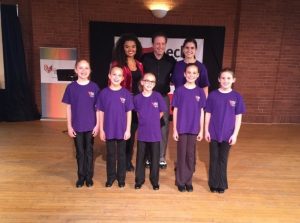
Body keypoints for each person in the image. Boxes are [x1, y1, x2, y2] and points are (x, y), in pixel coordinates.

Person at [204, 68, 245, 193]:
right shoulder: (213, 95)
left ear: (233, 80)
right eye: (223, 78)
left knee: (223, 158)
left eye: (228, 78)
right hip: (213, 132)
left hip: (228, 134)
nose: (225, 81)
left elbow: (238, 117)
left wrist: (235, 134)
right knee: (214, 158)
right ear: (218, 80)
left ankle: (222, 183)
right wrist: (206, 130)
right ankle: (213, 183)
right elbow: (208, 114)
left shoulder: (237, 97)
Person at [62, 59, 100, 188]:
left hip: (91, 125)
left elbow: (98, 108)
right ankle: (81, 176)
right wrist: (69, 126)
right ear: (76, 70)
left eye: (86, 68)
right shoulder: (71, 87)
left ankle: (88, 177)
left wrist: (98, 125)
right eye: (81, 68)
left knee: (89, 151)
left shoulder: (94, 87)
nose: (83, 71)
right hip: (76, 126)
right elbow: (68, 108)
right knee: (80, 152)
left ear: (90, 71)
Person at [141, 32, 176, 169]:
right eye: (157, 43)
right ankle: (149, 157)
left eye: (162, 44)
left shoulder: (171, 61)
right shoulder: (145, 59)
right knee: (148, 126)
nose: (160, 46)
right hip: (147, 97)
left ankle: (161, 157)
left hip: (162, 97)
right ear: (153, 45)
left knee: (163, 127)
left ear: (165, 44)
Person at [112, 33, 144, 172]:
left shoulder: (140, 64)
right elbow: (112, 85)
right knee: (123, 132)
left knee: (131, 132)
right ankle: (122, 160)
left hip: (137, 103)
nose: (130, 49)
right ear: (122, 48)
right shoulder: (117, 65)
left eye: (133, 46)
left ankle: (128, 160)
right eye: (127, 47)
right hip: (122, 103)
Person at [97, 66, 133, 188]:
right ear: (109, 76)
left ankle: (121, 178)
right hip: (109, 129)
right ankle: (111, 177)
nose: (116, 77)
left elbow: (129, 112)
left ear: (123, 78)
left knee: (122, 155)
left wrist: (128, 129)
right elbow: (100, 112)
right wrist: (101, 129)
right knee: (111, 154)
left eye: (119, 75)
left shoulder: (126, 94)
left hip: (122, 130)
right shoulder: (103, 93)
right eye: (114, 74)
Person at [172, 63, 206, 192]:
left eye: (194, 73)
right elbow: (175, 110)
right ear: (185, 74)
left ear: (197, 75)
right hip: (181, 128)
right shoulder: (179, 90)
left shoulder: (200, 92)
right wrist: (175, 129)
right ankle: (180, 181)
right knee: (181, 154)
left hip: (194, 129)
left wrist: (201, 130)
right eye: (189, 72)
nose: (191, 75)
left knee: (191, 155)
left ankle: (188, 180)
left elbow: (202, 111)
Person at [133, 73, 167, 190]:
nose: (149, 83)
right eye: (147, 81)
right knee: (140, 158)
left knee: (154, 158)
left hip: (155, 135)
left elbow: (162, 111)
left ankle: (154, 181)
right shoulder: (137, 98)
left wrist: (153, 120)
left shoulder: (157, 96)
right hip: (142, 134)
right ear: (142, 82)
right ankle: (139, 180)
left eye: (152, 82)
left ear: (154, 84)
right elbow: (137, 113)